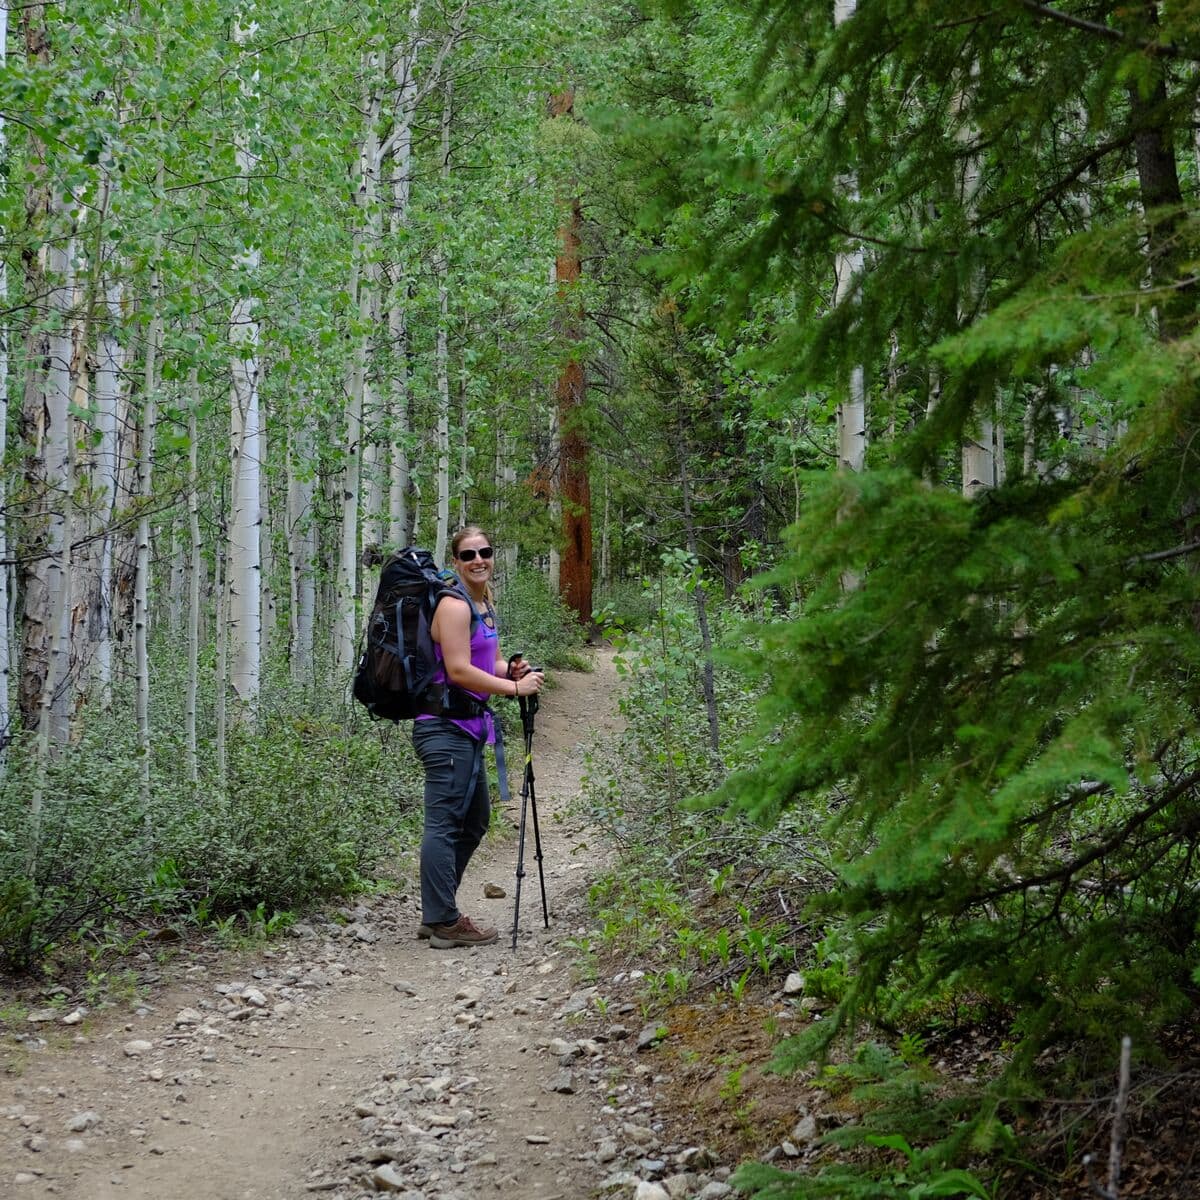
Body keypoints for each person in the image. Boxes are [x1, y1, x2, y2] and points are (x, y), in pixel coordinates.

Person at [413, 526, 543, 949]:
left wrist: (512, 671)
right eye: (468, 555)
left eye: (484, 552)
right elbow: (458, 670)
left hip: (468, 727)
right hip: (443, 727)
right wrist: (515, 690)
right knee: (445, 824)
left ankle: (438, 911)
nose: (478, 560)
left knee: (474, 821)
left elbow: (488, 661)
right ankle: (443, 919)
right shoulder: (453, 606)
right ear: (455, 562)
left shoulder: (483, 603)